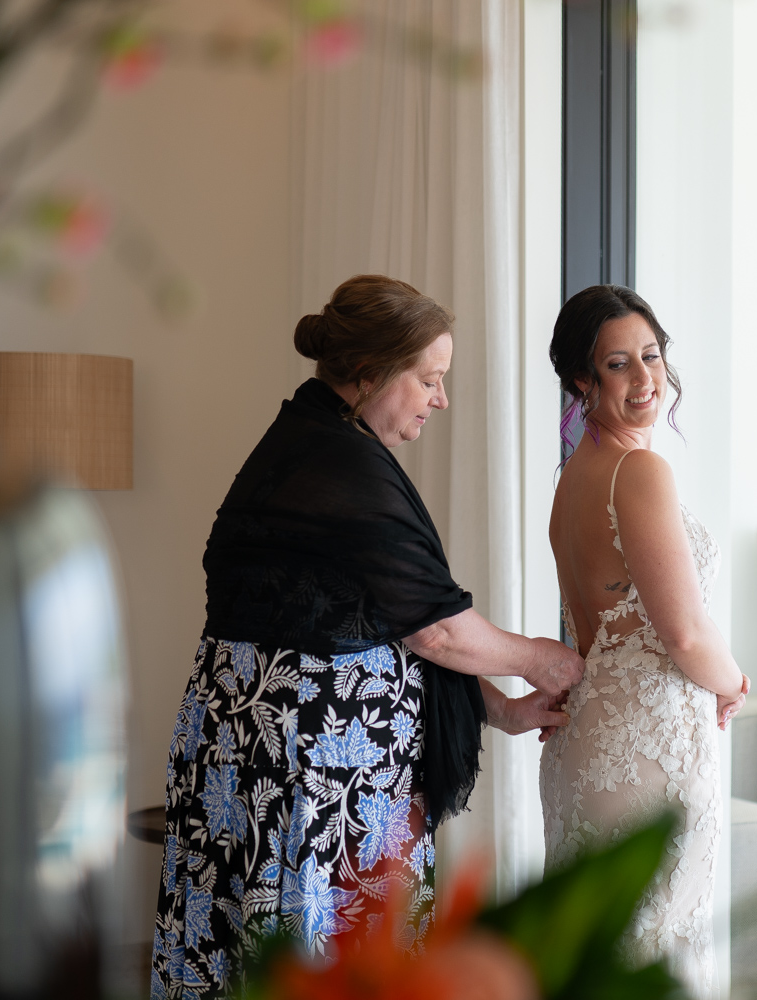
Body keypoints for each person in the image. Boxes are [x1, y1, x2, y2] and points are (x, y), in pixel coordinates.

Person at [151, 275, 581, 997]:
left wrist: (503, 709)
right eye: (429, 379)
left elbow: (392, 622)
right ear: (369, 372)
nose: (440, 399)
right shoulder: (338, 461)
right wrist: (543, 659)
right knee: (320, 964)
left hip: (265, 755)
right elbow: (437, 630)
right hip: (307, 772)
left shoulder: (311, 440)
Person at [538, 284, 748, 997]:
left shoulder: (571, 481)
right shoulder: (640, 471)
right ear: (582, 380)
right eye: (618, 364)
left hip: (588, 744)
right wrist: (734, 681)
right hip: (649, 750)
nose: (644, 378)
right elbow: (683, 632)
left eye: (651, 356)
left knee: (597, 960)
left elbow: (596, 631)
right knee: (653, 957)